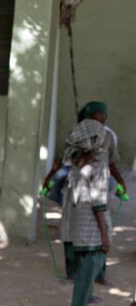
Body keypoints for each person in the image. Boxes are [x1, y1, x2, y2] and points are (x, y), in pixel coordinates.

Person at [42, 101, 125, 287]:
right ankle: (73, 273)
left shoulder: (107, 138)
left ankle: (98, 274)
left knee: (101, 231)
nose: (98, 123)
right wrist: (49, 178)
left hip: (98, 187)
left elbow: (112, 163)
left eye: (102, 120)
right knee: (71, 229)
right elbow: (63, 158)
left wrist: (121, 182)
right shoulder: (77, 133)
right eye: (95, 119)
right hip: (76, 189)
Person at [58, 119, 111, 306]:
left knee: (84, 271)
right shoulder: (99, 167)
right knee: (86, 275)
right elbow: (98, 204)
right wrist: (105, 234)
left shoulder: (77, 163)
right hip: (93, 231)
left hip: (79, 229)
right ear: (96, 141)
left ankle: (88, 296)